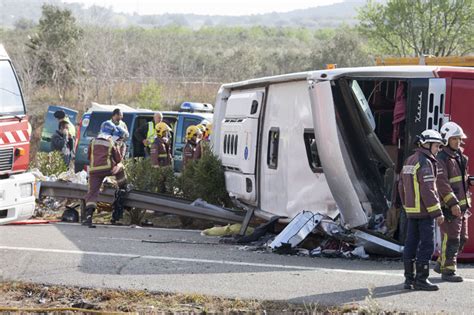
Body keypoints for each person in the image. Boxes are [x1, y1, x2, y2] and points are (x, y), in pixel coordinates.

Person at [398, 129, 445, 291]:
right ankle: (421, 280)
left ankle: (408, 280)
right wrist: (437, 212)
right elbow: (428, 190)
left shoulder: (409, 160)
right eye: (437, 146)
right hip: (425, 212)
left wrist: (406, 205)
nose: (438, 150)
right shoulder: (425, 162)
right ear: (427, 144)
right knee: (427, 245)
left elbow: (400, 186)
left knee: (410, 244)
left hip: (411, 211)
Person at [435, 122, 472, 282]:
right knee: (451, 238)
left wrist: (469, 180)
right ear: (446, 139)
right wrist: (452, 204)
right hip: (450, 207)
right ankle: (448, 271)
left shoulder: (460, 157)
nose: (458, 141)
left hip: (463, 207)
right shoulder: (441, 159)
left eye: (459, 138)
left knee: (462, 238)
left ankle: (440, 263)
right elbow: (442, 184)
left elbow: (460, 181)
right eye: (454, 138)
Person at [83, 121, 127, 228]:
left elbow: (89, 156)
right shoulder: (111, 142)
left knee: (92, 193)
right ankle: (123, 187)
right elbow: (118, 159)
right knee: (120, 168)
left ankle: (88, 218)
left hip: (94, 171)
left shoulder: (93, 141)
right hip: (107, 169)